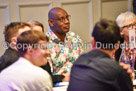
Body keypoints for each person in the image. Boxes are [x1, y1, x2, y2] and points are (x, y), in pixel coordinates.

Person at [67, 19, 133, 91]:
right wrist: (128, 80)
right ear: (117, 45)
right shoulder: (117, 71)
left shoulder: (78, 63)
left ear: (93, 41)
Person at [27, 20, 69, 84]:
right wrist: (63, 78)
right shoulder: (26, 55)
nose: (40, 36)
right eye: (36, 33)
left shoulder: (42, 51)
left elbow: (48, 76)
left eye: (41, 33)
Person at [47, 7, 84, 75]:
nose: (67, 22)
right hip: (57, 83)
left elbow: (83, 63)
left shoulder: (75, 38)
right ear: (51, 22)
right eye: (62, 19)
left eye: (67, 18)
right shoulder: (45, 42)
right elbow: (47, 74)